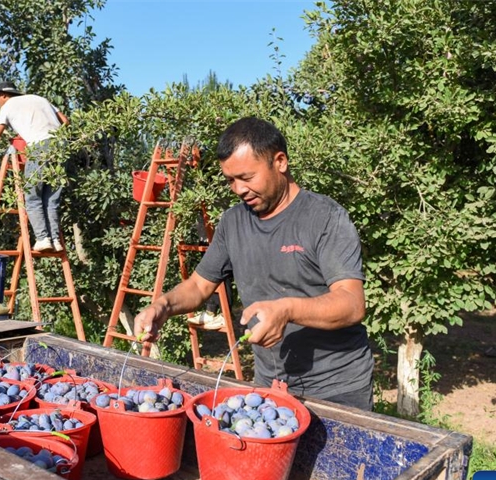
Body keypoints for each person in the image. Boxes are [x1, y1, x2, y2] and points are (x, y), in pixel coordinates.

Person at [134, 117, 374, 410]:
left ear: (280, 162)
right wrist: (162, 306)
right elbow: (199, 285)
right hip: (271, 387)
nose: (238, 189)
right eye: (230, 181)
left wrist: (287, 310)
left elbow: (351, 303)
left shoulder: (325, 218)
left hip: (336, 390)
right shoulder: (234, 222)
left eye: (247, 178)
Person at [0, 80, 69, 252]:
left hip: (40, 146)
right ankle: (55, 240)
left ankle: (43, 238)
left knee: (32, 196)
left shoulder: (7, 107)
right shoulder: (40, 99)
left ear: (3, 95)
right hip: (62, 148)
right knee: (51, 199)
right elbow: (66, 121)